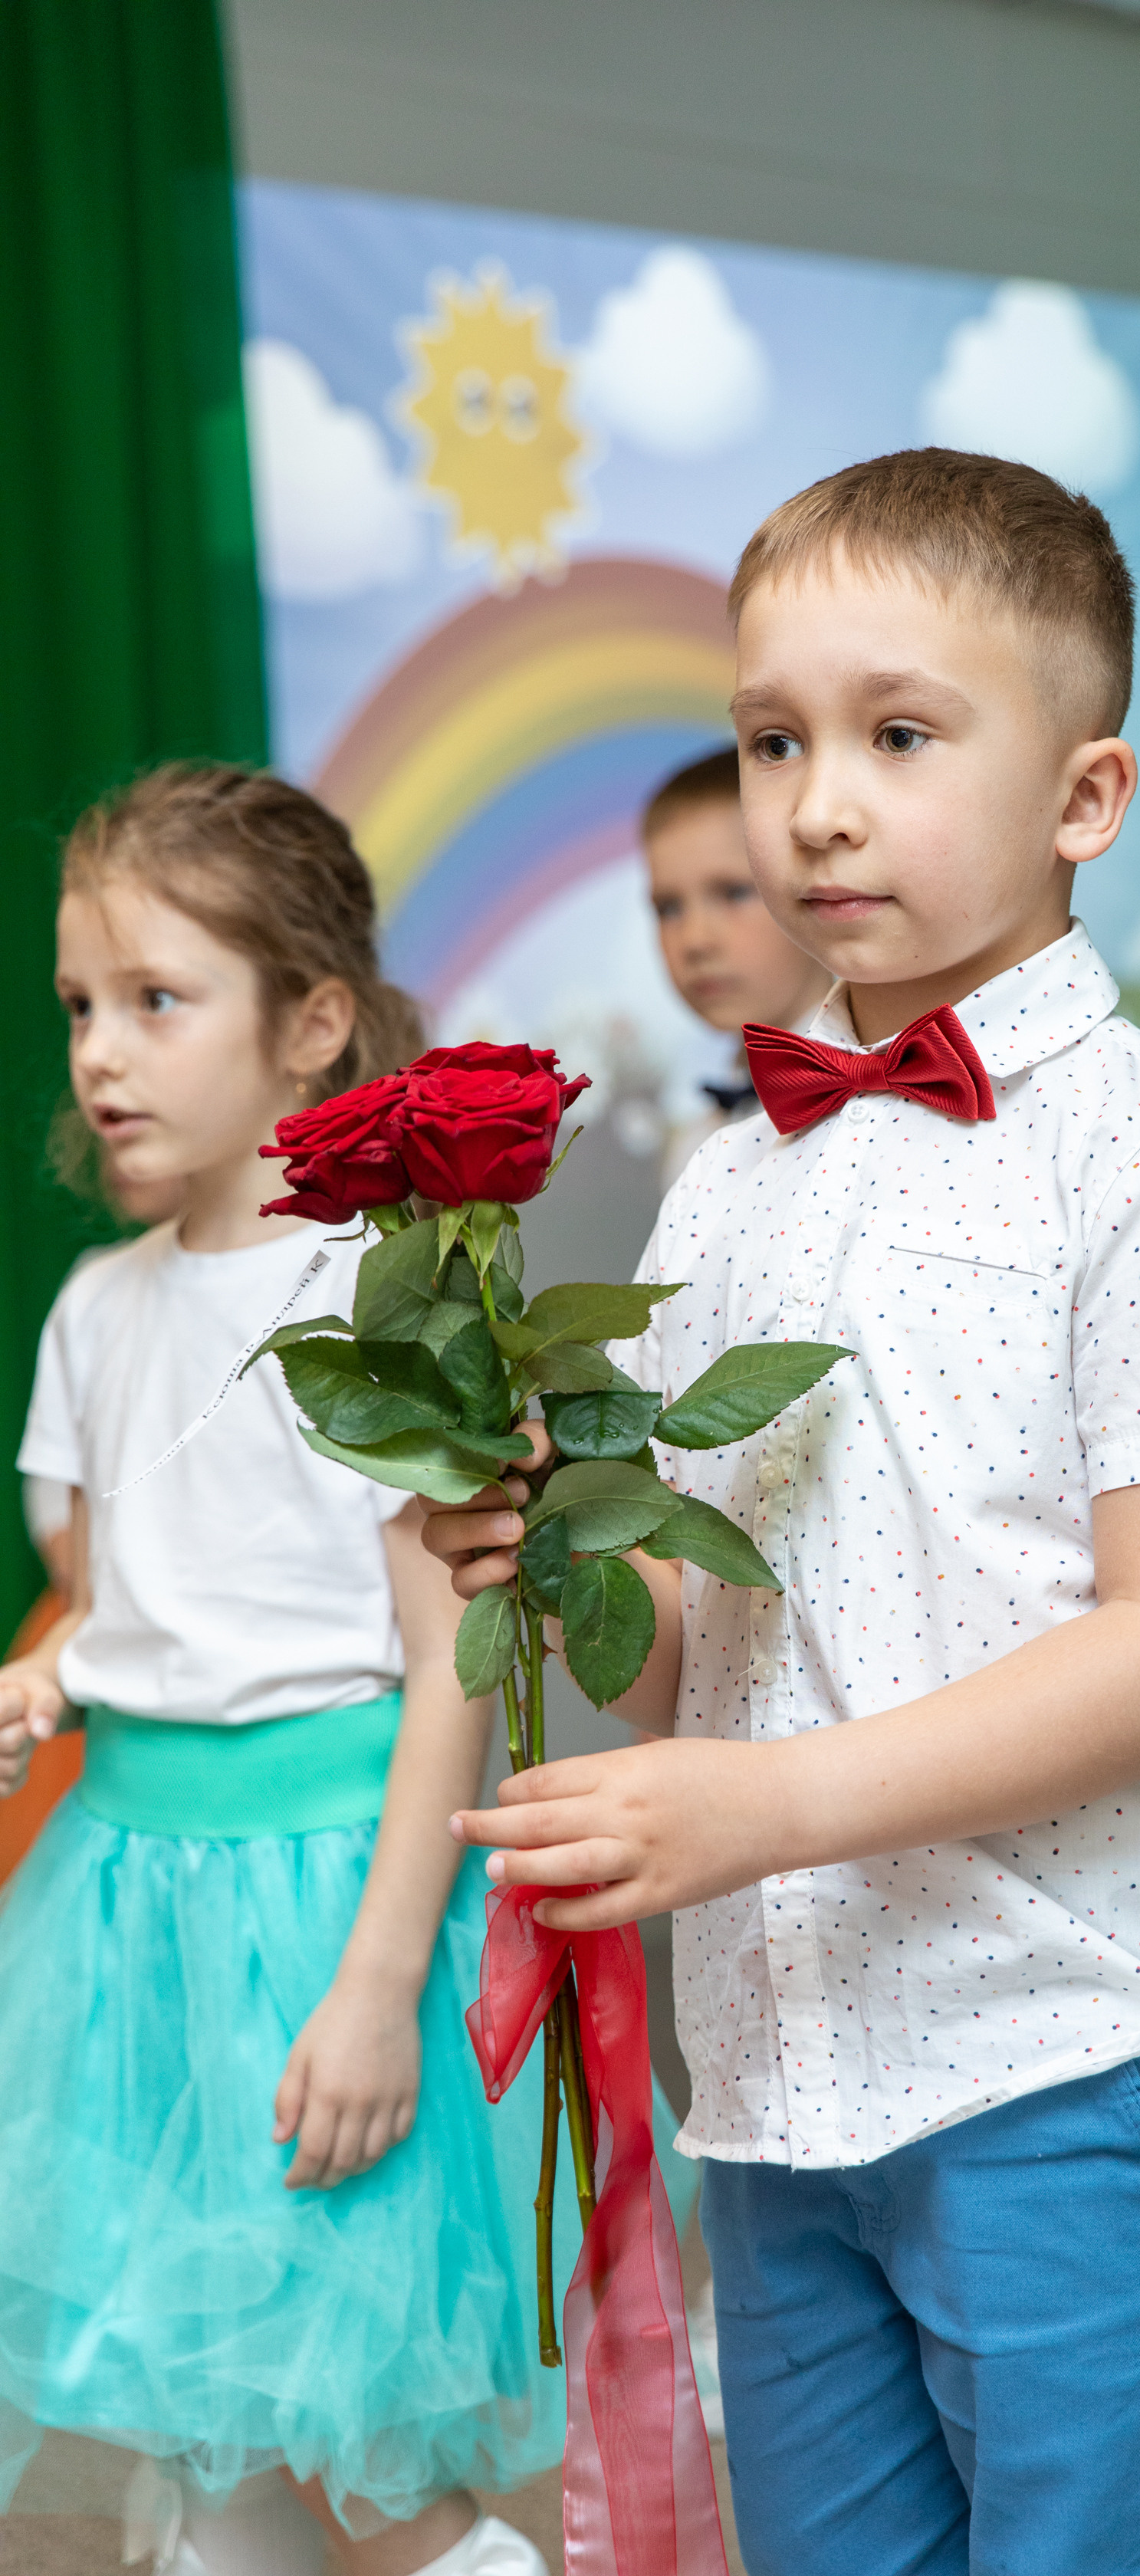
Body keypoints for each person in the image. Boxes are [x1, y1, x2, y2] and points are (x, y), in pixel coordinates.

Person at [425, 449, 1140, 2576]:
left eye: (900, 737)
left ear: (1085, 799)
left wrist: (764, 1807)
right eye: (773, 740)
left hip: (1068, 2040)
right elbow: (699, 1642)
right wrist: (561, 1559)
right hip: (781, 2060)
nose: (817, 806)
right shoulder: (731, 1180)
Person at [0, 766, 566, 2576]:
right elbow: (119, 1591)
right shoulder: (97, 1308)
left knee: (355, 2458)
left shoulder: (374, 1302)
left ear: (312, 1023)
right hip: (128, 1911)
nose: (101, 1051)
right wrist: (57, 1675)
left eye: (158, 1000)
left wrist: (381, 1983)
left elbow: (447, 1658)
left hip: (324, 1907)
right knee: (206, 2430)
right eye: (81, 1004)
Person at [642, 744, 830, 1184]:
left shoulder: (887, 1104)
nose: (695, 941)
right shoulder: (696, 1150)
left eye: (733, 893)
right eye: (669, 908)